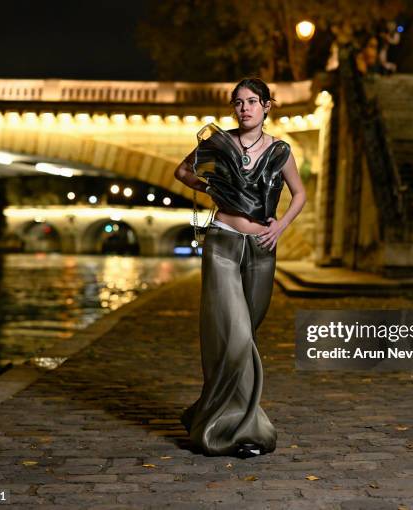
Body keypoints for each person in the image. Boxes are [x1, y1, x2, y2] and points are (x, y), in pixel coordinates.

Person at [173, 78, 306, 458]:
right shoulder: (218, 142)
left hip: (262, 248)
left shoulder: (280, 151)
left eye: (252, 101)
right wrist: (213, 190)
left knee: (247, 335)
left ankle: (209, 411)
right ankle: (245, 430)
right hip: (223, 243)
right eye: (238, 102)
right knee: (235, 335)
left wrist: (281, 225)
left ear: (267, 106)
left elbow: (300, 194)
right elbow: (182, 173)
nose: (244, 108)